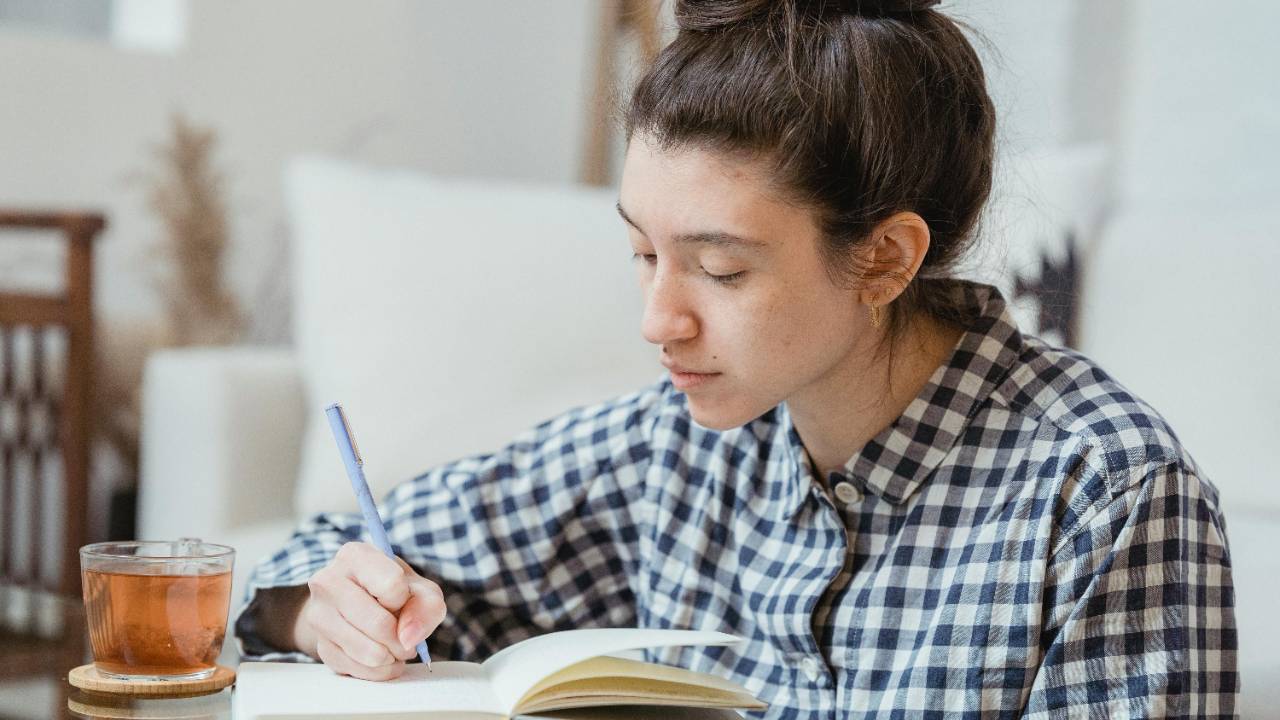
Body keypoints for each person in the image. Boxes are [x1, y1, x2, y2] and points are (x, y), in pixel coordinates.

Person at [233, 0, 1237, 716]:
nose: (656, 320)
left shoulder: (1102, 488)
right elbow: (314, 564)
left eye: (717, 270)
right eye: (641, 253)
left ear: (884, 257)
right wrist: (325, 608)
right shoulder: (666, 445)